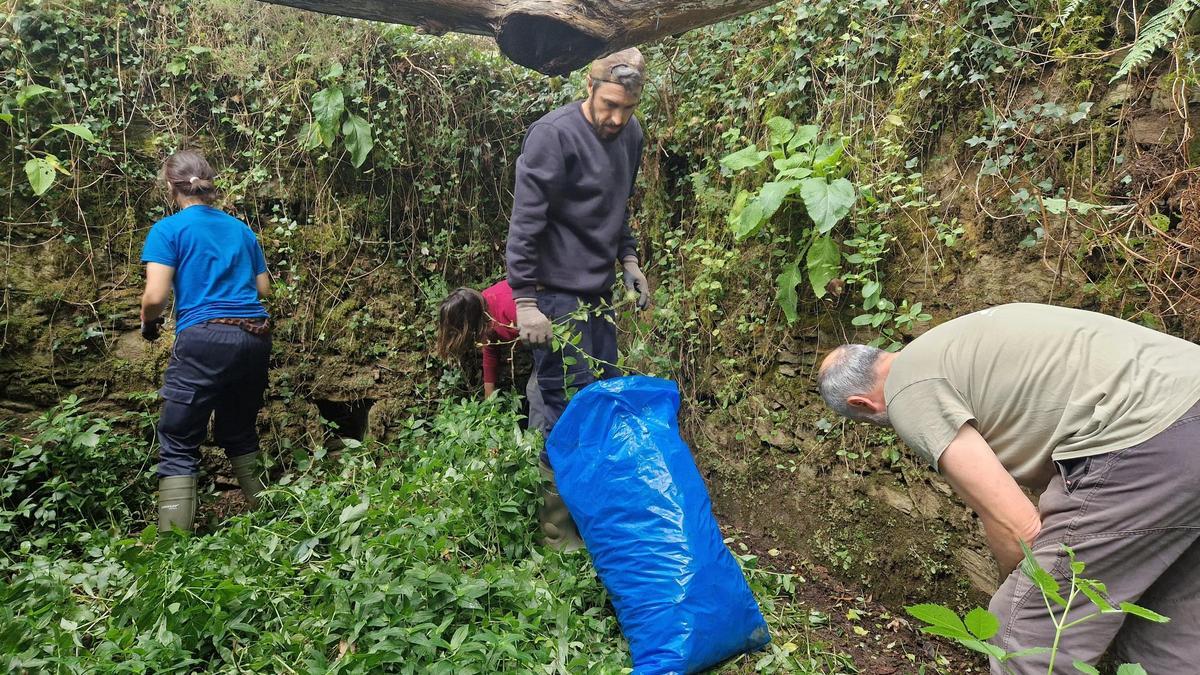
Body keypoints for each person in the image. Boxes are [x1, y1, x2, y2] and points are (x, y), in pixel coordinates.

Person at [816, 303, 1200, 673]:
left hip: (1147, 436)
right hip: (1184, 406)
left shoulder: (907, 391)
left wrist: (1012, 587)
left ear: (861, 403)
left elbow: (1019, 526)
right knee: (1165, 627)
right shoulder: (947, 346)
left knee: (1023, 628)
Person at [505, 47, 653, 549]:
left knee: (600, 396)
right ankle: (557, 536)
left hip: (598, 294)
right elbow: (526, 225)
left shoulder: (631, 135)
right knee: (565, 402)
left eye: (627, 108)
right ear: (588, 88)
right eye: (609, 104)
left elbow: (618, 207)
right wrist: (526, 302)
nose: (616, 119)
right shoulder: (554, 135)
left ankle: (591, 515)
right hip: (553, 294)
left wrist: (628, 261)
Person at [139, 150, 272, 533]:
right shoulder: (240, 230)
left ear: (171, 187)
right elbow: (263, 288)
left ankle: (172, 547)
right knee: (240, 431)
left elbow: (155, 297)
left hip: (205, 336)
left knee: (178, 438)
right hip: (254, 336)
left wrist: (148, 323)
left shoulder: (168, 230)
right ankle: (275, 522)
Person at [436, 280, 545, 428]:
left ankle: (539, 440)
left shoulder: (509, 308)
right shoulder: (483, 313)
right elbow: (490, 350)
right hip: (539, 341)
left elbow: (549, 336)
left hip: (558, 330)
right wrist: (489, 403)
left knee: (536, 391)